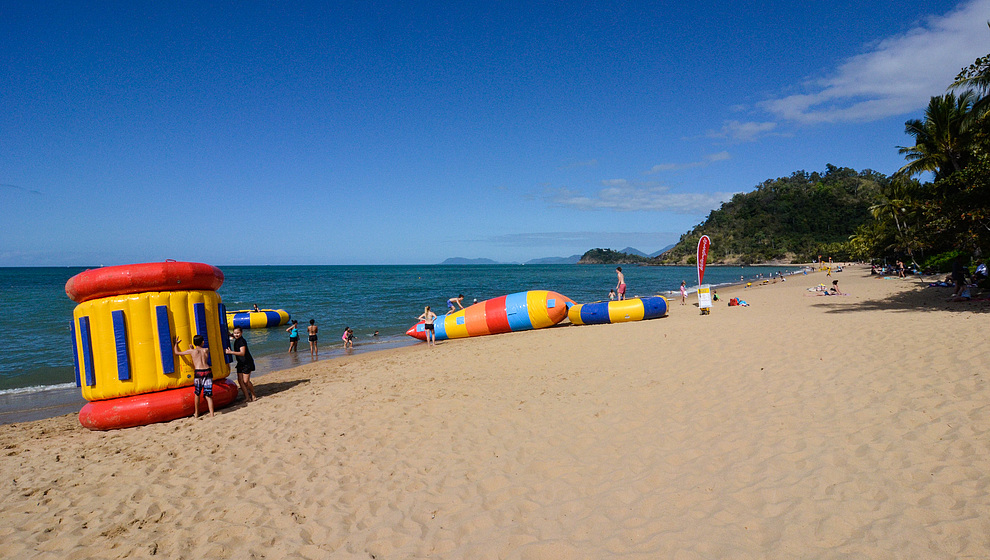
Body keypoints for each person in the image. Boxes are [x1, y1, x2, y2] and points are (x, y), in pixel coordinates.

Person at [173, 335, 214, 418]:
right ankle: (212, 414)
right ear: (202, 342)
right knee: (208, 394)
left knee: (197, 393)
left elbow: (177, 353)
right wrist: (192, 349)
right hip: (207, 371)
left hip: (199, 372)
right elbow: (200, 354)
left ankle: (196, 413)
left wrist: (176, 344)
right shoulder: (206, 350)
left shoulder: (192, 351)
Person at [225, 327, 256, 402]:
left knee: (246, 381)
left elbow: (242, 353)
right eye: (235, 333)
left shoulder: (242, 341)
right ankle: (247, 397)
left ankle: (253, 395)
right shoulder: (237, 339)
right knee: (240, 381)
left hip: (247, 363)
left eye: (238, 333)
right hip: (240, 363)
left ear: (241, 333)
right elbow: (234, 335)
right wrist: (229, 334)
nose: (236, 335)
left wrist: (230, 352)